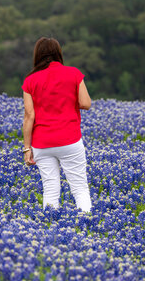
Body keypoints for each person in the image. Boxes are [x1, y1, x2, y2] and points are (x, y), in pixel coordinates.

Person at [21, 37, 92, 213]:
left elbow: (29, 115)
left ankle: (50, 229)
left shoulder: (30, 80)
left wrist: (26, 148)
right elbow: (86, 103)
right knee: (79, 187)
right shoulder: (74, 73)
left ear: (37, 55)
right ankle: (86, 225)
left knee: (50, 188)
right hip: (69, 139)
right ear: (58, 53)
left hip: (42, 143)